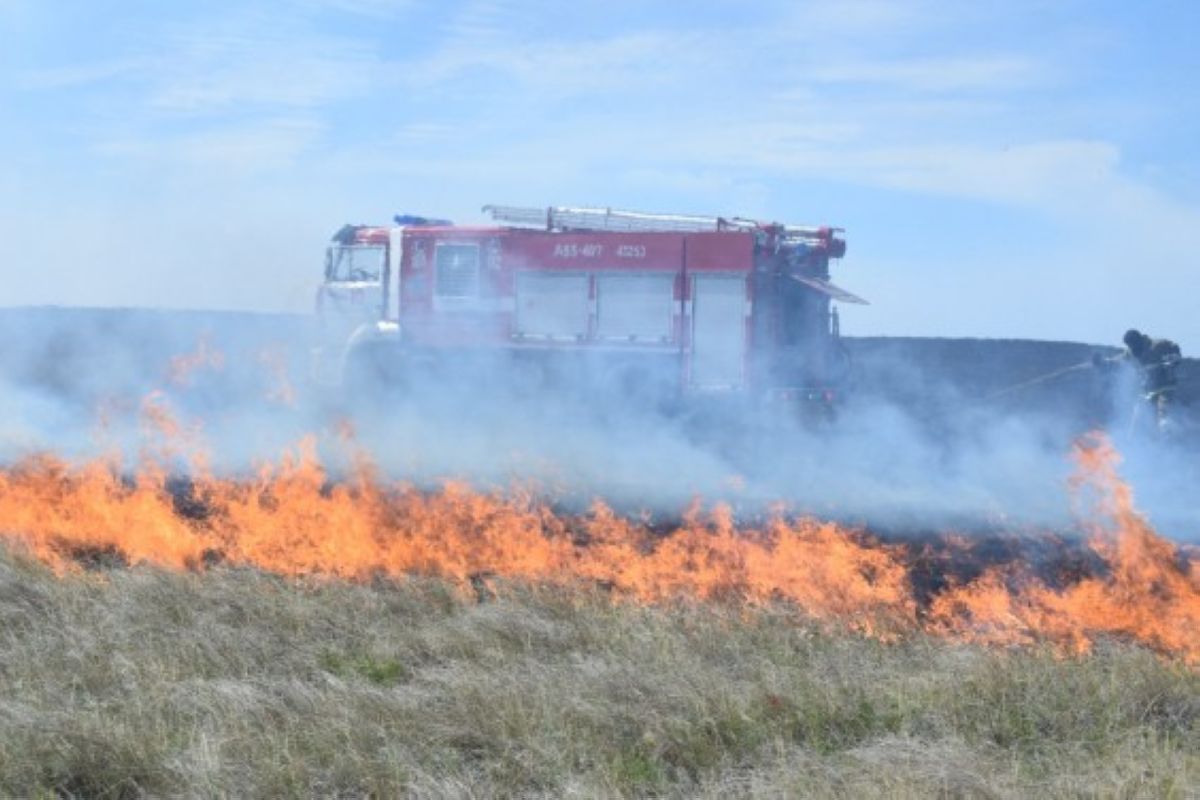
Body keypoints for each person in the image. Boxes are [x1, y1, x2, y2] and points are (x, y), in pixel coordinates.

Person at [1094, 329, 1183, 435]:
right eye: (1131, 346)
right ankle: (1134, 443)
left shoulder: (1159, 345)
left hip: (1165, 388)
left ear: (1140, 341)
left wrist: (1174, 358)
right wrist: (1104, 362)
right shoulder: (1131, 352)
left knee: (1163, 415)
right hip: (1147, 391)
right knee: (1137, 420)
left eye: (1135, 345)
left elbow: (1174, 348)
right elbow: (1119, 360)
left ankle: (1169, 436)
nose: (1134, 348)